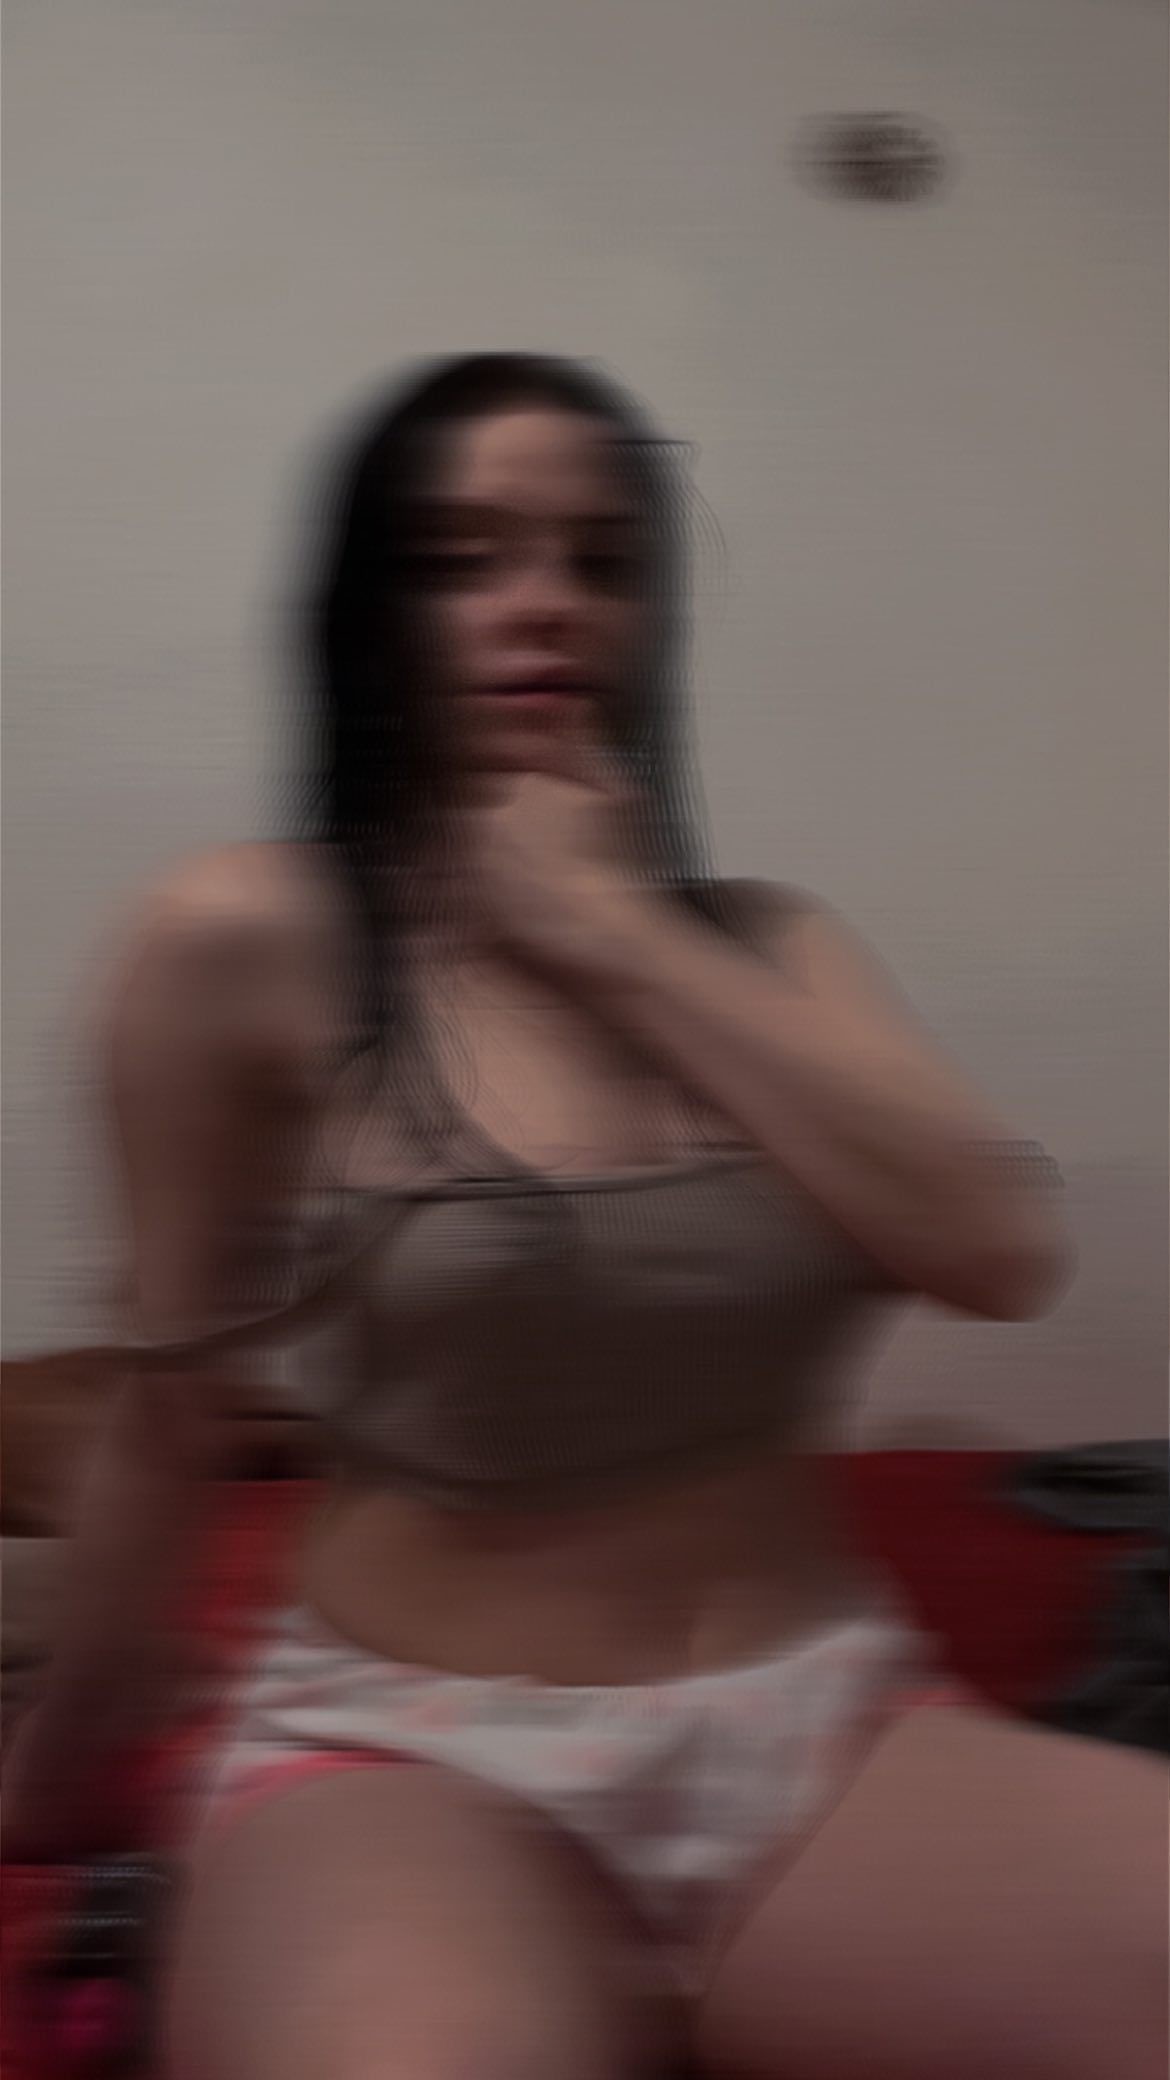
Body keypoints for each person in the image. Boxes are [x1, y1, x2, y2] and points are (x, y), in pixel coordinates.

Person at [6, 355, 1164, 2079]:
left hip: (815, 1730)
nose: (543, 600)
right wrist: (59, 1768)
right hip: (412, 1752)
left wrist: (609, 932)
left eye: (600, 559)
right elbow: (168, 1412)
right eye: (460, 556)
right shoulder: (238, 936)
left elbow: (997, 1251)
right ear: (367, 613)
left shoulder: (769, 944)